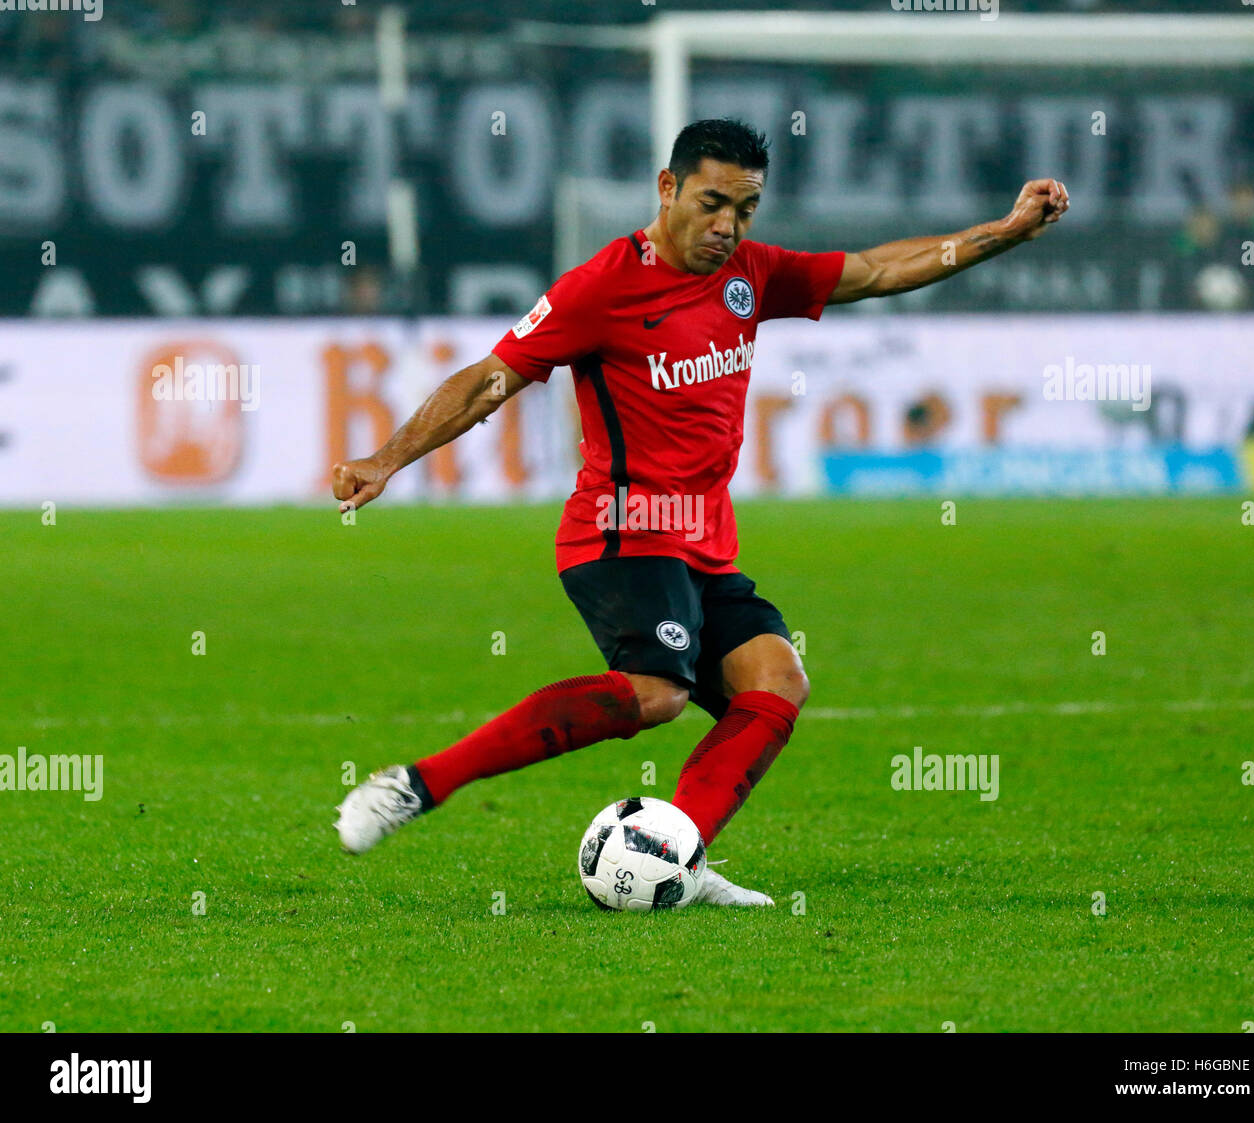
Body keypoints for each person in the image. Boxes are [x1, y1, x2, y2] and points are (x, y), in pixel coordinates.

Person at [332, 118, 1068, 905]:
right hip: (619, 532)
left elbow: (877, 270)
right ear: (668, 187)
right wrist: (386, 459)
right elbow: (488, 380)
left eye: (746, 209)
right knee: (657, 692)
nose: (728, 226)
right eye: (714, 203)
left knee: (777, 680)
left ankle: (678, 857)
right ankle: (416, 785)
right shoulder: (601, 287)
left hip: (703, 544)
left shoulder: (750, 273)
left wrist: (1005, 232)